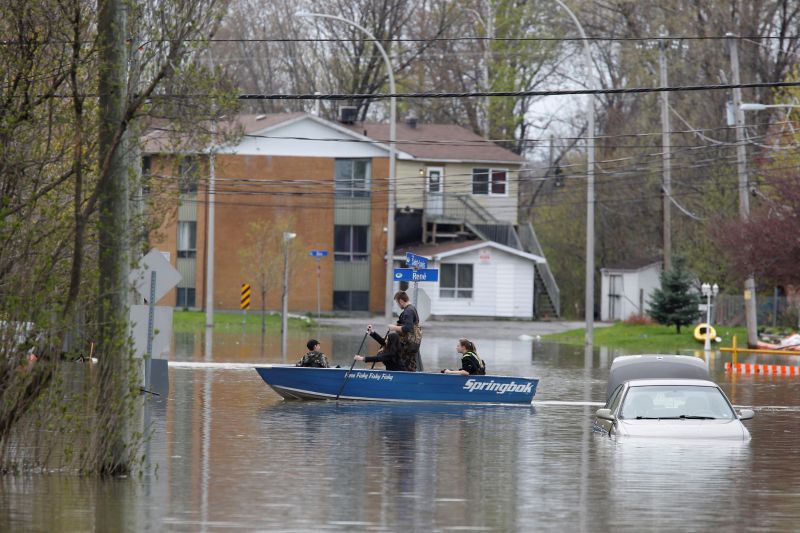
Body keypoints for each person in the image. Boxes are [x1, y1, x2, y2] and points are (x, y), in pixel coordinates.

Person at [387, 291, 422, 372]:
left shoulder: (408, 311)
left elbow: (407, 328)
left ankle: (404, 379)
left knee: (405, 365)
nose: (398, 305)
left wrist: (394, 327)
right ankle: (411, 379)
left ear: (401, 301)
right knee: (410, 365)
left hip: (407, 344)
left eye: (397, 303)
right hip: (412, 344)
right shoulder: (412, 309)